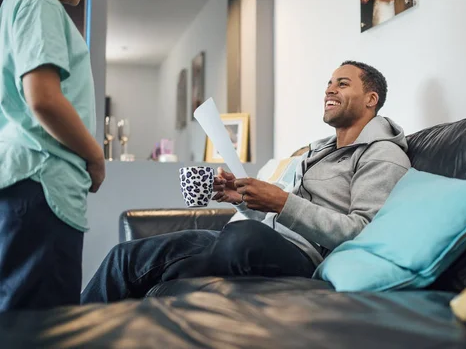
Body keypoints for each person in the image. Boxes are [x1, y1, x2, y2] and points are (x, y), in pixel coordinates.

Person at [81, 61, 411, 303]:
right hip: (267, 240)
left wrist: (281, 202)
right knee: (125, 256)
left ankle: (171, 279)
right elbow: (279, 216)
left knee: (241, 236)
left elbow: (364, 232)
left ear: (371, 98)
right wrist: (243, 199)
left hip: (308, 258)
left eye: (342, 83)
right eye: (328, 83)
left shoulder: (383, 154)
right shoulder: (316, 152)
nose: (329, 89)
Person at [0, 0, 109, 311]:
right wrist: (95, 156)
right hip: (43, 190)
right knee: (44, 329)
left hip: (29, 190)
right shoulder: (40, 3)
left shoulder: (17, 3)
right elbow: (43, 99)